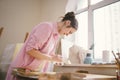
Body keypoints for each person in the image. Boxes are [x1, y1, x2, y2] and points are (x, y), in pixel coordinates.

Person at [6, 11, 78, 80]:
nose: (68, 34)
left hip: (32, 72)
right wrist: (52, 58)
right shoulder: (46, 27)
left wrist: (55, 58)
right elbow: (30, 50)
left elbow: (46, 53)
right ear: (67, 22)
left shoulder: (56, 35)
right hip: (22, 70)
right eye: (70, 32)